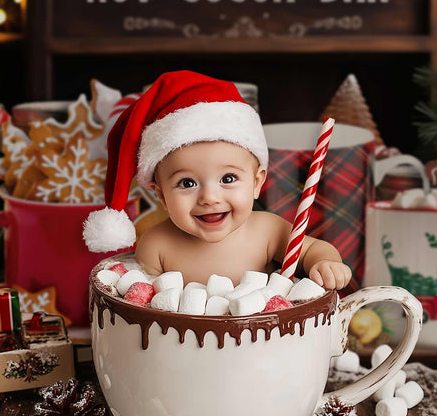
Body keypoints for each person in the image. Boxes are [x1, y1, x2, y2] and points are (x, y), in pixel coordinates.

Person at [83, 70, 351, 290]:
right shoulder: (156, 245)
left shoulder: (268, 231)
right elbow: (142, 303)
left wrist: (325, 263)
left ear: (257, 183)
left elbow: (315, 249)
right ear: (161, 195)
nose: (209, 197)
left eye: (228, 178)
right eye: (187, 183)